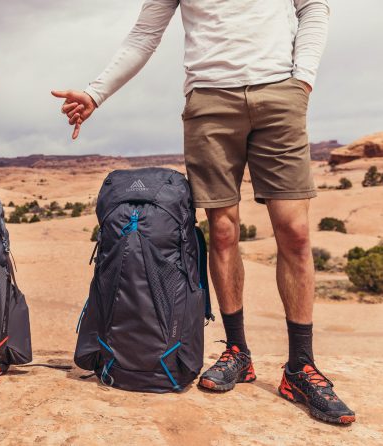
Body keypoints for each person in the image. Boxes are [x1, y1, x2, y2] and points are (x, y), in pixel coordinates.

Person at [53, 0, 356, 424]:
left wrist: (302, 78)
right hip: (209, 100)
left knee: (295, 231)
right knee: (223, 231)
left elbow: (314, 7)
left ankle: (300, 367)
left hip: (279, 93)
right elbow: (145, 35)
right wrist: (95, 93)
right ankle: (237, 352)